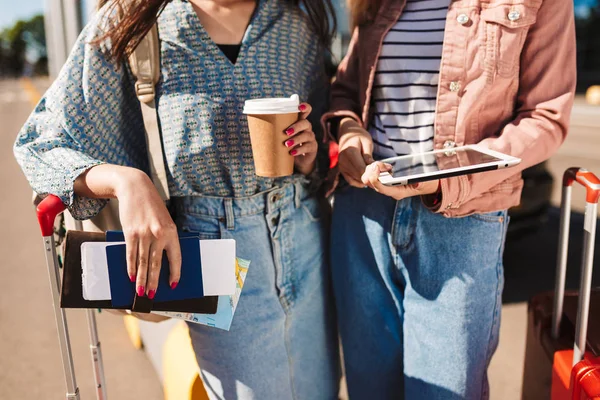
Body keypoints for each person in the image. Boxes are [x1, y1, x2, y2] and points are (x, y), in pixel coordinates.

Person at [14, 0, 340, 398]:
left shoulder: (294, 23)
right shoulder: (135, 21)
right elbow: (42, 142)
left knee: (321, 389)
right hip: (213, 251)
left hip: (306, 235)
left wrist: (307, 159)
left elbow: (322, 139)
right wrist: (127, 182)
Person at [322, 0, 576, 398]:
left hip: (461, 222)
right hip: (363, 214)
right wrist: (350, 132)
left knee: (445, 392)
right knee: (369, 388)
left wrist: (446, 181)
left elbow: (546, 117)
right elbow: (347, 92)